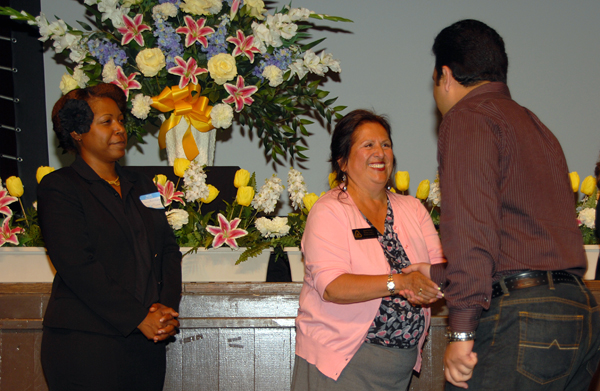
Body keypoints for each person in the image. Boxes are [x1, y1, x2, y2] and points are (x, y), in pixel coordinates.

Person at [422, 19, 600, 390]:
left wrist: (460, 333)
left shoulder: (468, 118)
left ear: (446, 75)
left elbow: (474, 234)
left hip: (523, 319)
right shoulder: (536, 126)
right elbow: (524, 241)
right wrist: (434, 274)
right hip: (578, 312)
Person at [37, 83, 182, 391]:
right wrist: (137, 317)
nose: (119, 129)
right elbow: (77, 265)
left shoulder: (142, 184)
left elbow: (168, 250)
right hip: (86, 343)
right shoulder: (60, 187)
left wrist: (162, 312)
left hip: (146, 342)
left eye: (120, 120)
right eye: (107, 122)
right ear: (78, 132)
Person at [291, 109, 445, 391]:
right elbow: (332, 286)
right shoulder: (329, 211)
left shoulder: (412, 209)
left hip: (401, 368)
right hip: (340, 366)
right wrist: (399, 282)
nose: (380, 153)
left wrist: (432, 284)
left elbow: (440, 270)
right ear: (343, 161)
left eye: (386, 144)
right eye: (368, 145)